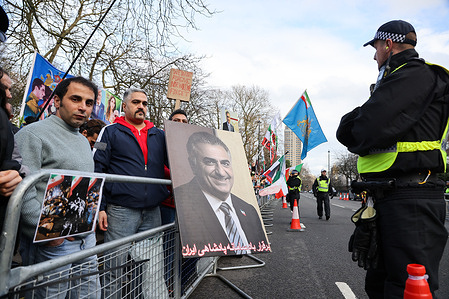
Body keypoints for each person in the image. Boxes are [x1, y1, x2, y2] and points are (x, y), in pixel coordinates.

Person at [336, 20, 449, 298]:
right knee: (380, 284)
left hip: (411, 198)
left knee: (406, 287)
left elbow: (362, 130)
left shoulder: (413, 76)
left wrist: (354, 122)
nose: (374, 56)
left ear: (388, 44)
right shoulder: (396, 80)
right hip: (393, 195)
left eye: (375, 48)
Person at [15, 76, 101, 298]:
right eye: (75, 99)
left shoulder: (83, 140)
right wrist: (53, 235)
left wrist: (86, 227)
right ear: (57, 101)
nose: (83, 107)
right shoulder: (32, 134)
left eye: (89, 102)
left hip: (84, 240)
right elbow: (23, 191)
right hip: (51, 243)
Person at [93, 87, 169, 298]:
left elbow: (175, 165)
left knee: (152, 267)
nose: (141, 107)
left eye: (144, 103)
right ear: (124, 106)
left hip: (152, 211)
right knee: (113, 267)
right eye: (136, 102)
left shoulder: (159, 135)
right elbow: (97, 168)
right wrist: (100, 208)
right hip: (120, 211)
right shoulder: (109, 132)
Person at [174, 131, 267, 256]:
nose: (221, 172)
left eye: (225, 163)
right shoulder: (182, 202)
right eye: (210, 162)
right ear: (193, 165)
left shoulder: (249, 210)